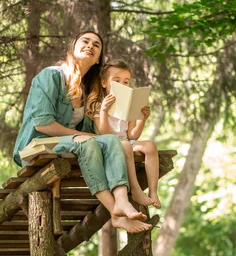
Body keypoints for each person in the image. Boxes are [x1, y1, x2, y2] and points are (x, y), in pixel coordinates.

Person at [13, 31, 152, 234]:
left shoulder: (86, 90)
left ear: (97, 59)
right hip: (37, 147)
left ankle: (122, 201)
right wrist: (80, 136)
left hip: (71, 144)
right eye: (85, 41)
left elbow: (95, 134)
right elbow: (43, 124)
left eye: (97, 44)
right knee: (87, 142)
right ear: (73, 47)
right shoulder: (50, 76)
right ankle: (114, 212)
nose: (91, 45)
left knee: (111, 140)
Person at [86, 59, 162, 208]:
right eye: (117, 81)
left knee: (150, 146)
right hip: (107, 145)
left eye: (126, 82)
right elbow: (105, 133)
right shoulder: (98, 104)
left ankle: (153, 192)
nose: (122, 85)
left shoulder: (129, 104)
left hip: (126, 141)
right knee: (126, 145)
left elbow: (133, 135)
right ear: (104, 83)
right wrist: (104, 111)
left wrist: (142, 119)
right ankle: (135, 189)